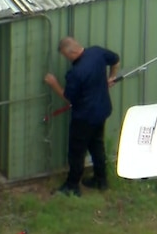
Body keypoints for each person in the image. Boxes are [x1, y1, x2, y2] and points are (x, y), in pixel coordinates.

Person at [44, 37, 120, 196]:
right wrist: (111, 77)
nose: (67, 59)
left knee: (77, 152)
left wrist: (53, 83)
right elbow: (116, 60)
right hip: (102, 111)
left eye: (66, 56)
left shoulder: (76, 73)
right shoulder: (97, 52)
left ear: (71, 52)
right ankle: (101, 180)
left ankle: (72, 186)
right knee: (97, 146)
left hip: (84, 117)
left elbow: (68, 98)